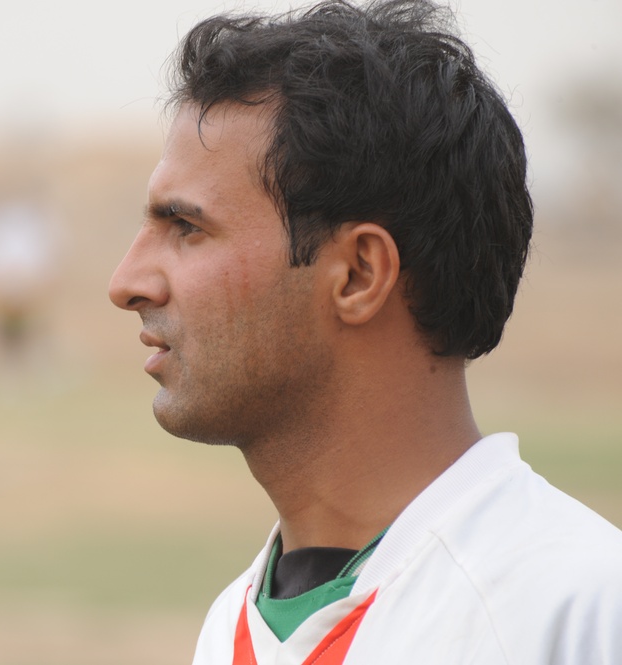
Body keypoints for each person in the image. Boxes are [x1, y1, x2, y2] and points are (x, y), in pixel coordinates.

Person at [107, 1, 622, 663]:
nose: (127, 282)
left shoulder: (579, 611)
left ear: (356, 273)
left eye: (187, 228)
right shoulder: (232, 627)